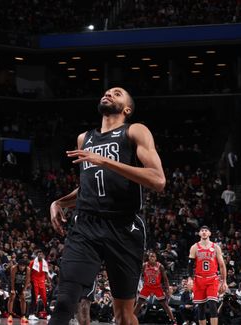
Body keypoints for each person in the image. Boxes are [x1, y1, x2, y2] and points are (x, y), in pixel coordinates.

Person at [48, 87, 166, 325]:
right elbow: (88, 186)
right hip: (86, 225)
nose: (109, 93)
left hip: (124, 226)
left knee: (122, 314)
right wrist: (59, 202)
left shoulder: (135, 130)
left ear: (127, 109)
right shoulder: (85, 138)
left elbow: (158, 180)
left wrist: (106, 161)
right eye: (107, 91)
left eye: (117, 93)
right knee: (63, 302)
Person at [188, 226, 227, 325]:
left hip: (212, 279)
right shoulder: (195, 247)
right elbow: (190, 265)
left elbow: (222, 265)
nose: (204, 232)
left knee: (212, 304)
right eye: (202, 231)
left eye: (206, 231)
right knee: (201, 308)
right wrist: (189, 279)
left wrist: (224, 281)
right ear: (199, 233)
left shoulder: (215, 247)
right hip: (199, 279)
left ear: (209, 233)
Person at [134, 251, 175, 323]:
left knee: (165, 305)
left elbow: (165, 279)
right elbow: (139, 275)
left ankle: (173, 321)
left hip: (157, 287)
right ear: (148, 257)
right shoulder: (144, 265)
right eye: (150, 256)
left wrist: (167, 290)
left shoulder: (160, 266)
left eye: (153, 256)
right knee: (139, 303)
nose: (152, 258)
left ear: (156, 258)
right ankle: (131, 319)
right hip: (147, 286)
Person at [28, 251, 50, 320]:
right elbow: (29, 272)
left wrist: (49, 282)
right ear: (37, 255)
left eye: (41, 254)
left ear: (43, 255)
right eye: (39, 254)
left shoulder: (45, 263)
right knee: (34, 298)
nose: (40, 255)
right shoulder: (32, 262)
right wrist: (28, 282)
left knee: (44, 298)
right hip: (34, 281)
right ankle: (31, 314)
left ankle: (48, 314)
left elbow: (46, 273)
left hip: (42, 282)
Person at [9, 258, 29, 322]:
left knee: (23, 298)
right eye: (21, 265)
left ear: (25, 266)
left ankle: (23, 315)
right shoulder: (14, 268)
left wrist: (24, 289)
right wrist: (12, 289)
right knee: (12, 297)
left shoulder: (28, 269)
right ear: (18, 265)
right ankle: (10, 314)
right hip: (13, 284)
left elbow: (27, 280)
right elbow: (12, 279)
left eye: (23, 266)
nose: (22, 267)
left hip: (21, 284)